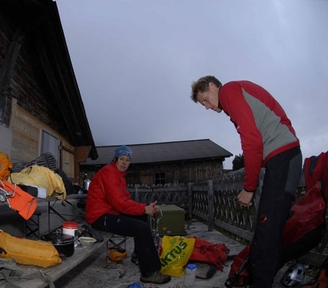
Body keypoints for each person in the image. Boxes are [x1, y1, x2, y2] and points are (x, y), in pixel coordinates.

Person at [190, 76, 302, 288]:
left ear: (213, 86)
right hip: (284, 158)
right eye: (202, 104)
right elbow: (275, 125)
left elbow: (251, 139)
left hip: (284, 156)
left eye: (205, 99)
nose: (206, 107)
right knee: (269, 229)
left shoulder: (229, 91)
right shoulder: (238, 96)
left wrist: (249, 188)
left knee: (267, 230)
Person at [85, 145, 171, 285]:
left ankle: (139, 256)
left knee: (142, 219)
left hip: (110, 211)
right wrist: (144, 209)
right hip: (99, 217)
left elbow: (126, 200)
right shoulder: (109, 173)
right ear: (115, 159)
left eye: (127, 160)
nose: (124, 163)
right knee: (141, 228)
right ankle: (149, 273)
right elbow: (120, 203)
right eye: (122, 159)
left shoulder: (118, 175)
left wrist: (145, 208)